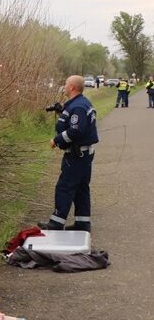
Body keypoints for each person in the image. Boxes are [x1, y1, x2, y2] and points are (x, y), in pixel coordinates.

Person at [41, 75, 98, 231]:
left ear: (72, 87)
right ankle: (82, 223)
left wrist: (57, 140)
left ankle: (56, 223)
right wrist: (62, 113)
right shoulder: (79, 103)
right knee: (81, 188)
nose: (64, 86)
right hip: (83, 154)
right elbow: (76, 123)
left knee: (65, 187)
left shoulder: (78, 107)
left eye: (66, 84)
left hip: (76, 155)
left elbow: (76, 131)